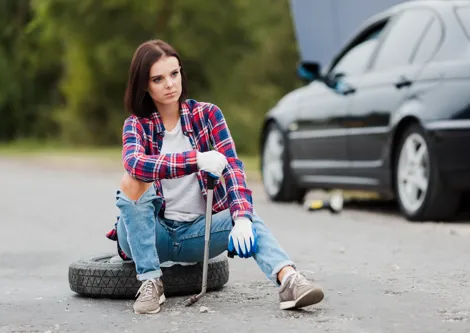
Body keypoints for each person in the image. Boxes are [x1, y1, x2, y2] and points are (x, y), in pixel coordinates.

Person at [105, 39, 325, 315]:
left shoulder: (208, 115)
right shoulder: (136, 125)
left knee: (246, 214)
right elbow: (135, 164)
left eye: (174, 74)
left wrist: (242, 217)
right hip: (152, 235)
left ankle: (290, 280)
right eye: (158, 79)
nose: (170, 84)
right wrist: (195, 160)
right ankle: (150, 281)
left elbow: (232, 167)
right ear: (144, 85)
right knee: (131, 181)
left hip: (199, 233)